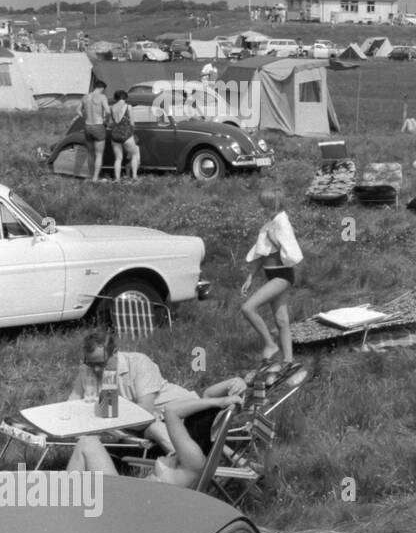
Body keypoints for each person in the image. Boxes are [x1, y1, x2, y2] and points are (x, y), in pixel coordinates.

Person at [69, 329, 243, 452]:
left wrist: (105, 413)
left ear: (115, 353)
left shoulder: (138, 363)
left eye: (101, 363)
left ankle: (189, 469)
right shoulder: (88, 370)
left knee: (154, 428)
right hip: (150, 422)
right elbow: (71, 407)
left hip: (186, 415)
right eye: (90, 363)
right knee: (153, 428)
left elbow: (144, 415)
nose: (96, 370)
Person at [67, 383, 247, 489]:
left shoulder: (193, 457)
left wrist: (221, 402)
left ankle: (62, 511)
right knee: (87, 443)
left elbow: (171, 411)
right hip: (134, 495)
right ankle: (67, 506)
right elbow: (206, 396)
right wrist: (234, 384)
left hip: (130, 507)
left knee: (87, 443)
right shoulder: (203, 454)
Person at [241, 188, 302, 366]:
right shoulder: (270, 223)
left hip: (282, 276)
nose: (262, 208)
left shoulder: (282, 223)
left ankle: (270, 344)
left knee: (248, 308)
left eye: (265, 205)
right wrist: (250, 277)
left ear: (273, 204)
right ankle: (288, 361)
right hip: (273, 275)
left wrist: (274, 239)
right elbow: (262, 253)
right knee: (282, 320)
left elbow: (290, 252)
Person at [77, 78, 111, 183]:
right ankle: (96, 178)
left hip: (87, 126)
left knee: (90, 153)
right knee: (99, 154)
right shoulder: (102, 97)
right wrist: (106, 121)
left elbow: (78, 110)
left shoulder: (85, 97)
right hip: (98, 125)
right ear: (102, 88)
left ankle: (91, 176)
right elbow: (108, 111)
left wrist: (83, 116)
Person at [107, 90, 140, 182]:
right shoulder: (128, 107)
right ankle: (134, 177)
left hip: (115, 135)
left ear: (116, 98)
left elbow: (110, 123)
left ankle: (117, 179)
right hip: (126, 134)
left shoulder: (112, 108)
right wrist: (132, 132)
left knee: (118, 158)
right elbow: (132, 123)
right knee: (134, 155)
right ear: (125, 98)